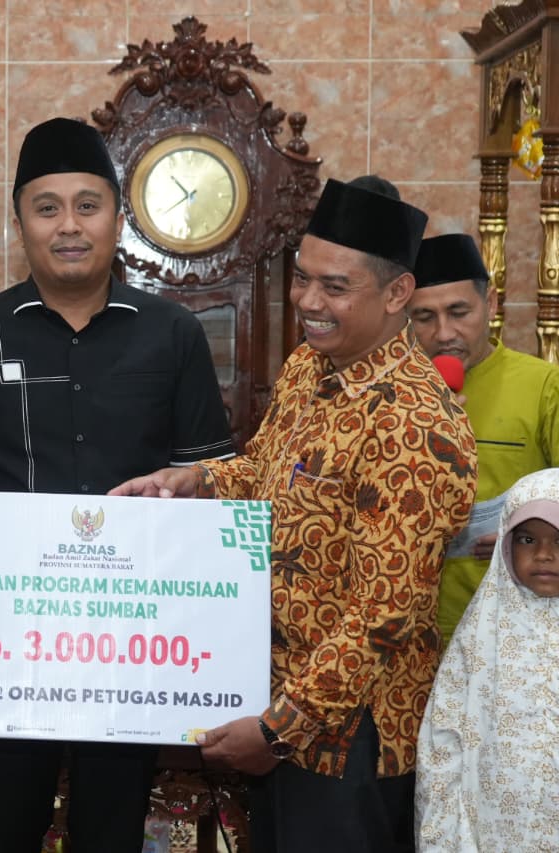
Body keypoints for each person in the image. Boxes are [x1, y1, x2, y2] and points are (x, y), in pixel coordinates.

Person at [111, 179, 478, 853]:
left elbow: (384, 612)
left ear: (397, 293)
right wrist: (197, 481)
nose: (308, 301)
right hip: (274, 700)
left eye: (335, 287)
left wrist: (280, 729)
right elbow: (267, 470)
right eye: (303, 278)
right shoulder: (311, 365)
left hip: (348, 734)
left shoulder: (415, 423)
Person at [0, 117, 235, 853]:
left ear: (118, 219)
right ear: (19, 222)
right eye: (47, 207)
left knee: (111, 835)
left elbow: (212, 492)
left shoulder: (173, 334)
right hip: (1, 651)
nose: (68, 226)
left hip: (134, 648)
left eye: (88, 206)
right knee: (1, 831)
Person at [408, 232, 559, 641]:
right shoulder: (394, 391)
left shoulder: (543, 385)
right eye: (425, 317)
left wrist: (528, 539)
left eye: (459, 312)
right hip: (409, 631)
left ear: (490, 304)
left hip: (512, 629)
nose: (444, 332)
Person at [415, 467, 559, 850]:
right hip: (492, 833)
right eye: (527, 539)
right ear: (505, 545)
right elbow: (442, 744)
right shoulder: (481, 636)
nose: (544, 554)